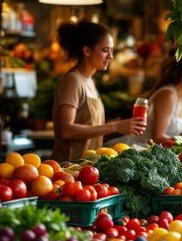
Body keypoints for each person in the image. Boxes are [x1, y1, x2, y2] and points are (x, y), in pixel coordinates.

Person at [51, 20, 146, 162]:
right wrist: (114, 126)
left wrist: (121, 125)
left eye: (111, 51)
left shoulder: (89, 81)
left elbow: (90, 125)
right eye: (105, 50)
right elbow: (67, 130)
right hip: (68, 167)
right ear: (87, 51)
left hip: (88, 166)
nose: (111, 56)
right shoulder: (73, 81)